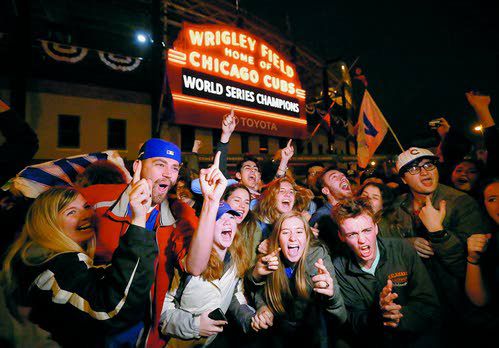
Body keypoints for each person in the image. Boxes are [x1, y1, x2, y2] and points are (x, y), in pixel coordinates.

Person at [80, 139, 226, 347]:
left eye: (175, 167)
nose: (169, 173)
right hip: (94, 331)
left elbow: (195, 266)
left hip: (146, 336)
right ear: (138, 166)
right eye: (160, 164)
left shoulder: (179, 212)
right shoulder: (97, 200)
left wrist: (211, 202)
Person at [1, 184, 157, 347]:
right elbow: (111, 310)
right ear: (48, 224)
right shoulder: (59, 265)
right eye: (71, 212)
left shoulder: (38, 259)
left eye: (86, 207)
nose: (86, 215)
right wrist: (139, 224)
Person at [390, 146, 489, 344]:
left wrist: (438, 234)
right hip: (418, 306)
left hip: (457, 310)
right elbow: (385, 244)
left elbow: (467, 268)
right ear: (403, 179)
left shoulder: (461, 203)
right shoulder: (397, 206)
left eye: (428, 164)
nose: (425, 171)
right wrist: (406, 243)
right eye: (414, 168)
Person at [331, 198, 440, 347]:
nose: (362, 240)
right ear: (341, 237)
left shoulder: (402, 250)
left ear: (376, 228)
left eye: (366, 230)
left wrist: (397, 316)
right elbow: (351, 321)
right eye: (352, 234)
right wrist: (378, 315)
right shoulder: (339, 268)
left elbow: (429, 304)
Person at [160, 202, 254, 347]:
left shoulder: (236, 259)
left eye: (231, 217)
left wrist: (250, 317)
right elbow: (162, 311)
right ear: (206, 226)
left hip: (209, 342)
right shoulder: (187, 263)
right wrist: (195, 325)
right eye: (219, 218)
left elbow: (236, 294)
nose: (227, 222)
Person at [249, 211, 346, 347]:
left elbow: (341, 317)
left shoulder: (318, 257)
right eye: (285, 232)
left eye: (299, 232)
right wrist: (262, 306)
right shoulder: (271, 257)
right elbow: (258, 290)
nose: (293, 238)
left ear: (307, 237)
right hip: (279, 332)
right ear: (277, 238)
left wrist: (332, 296)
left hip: (312, 334)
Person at [309, 166, 353, 253]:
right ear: (326, 190)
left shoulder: (353, 211)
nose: (343, 178)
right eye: (334, 177)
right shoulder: (322, 216)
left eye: (343, 176)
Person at [223, 184, 262, 263]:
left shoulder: (252, 228)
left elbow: (249, 268)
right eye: (237, 200)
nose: (242, 206)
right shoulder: (212, 224)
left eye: (247, 202)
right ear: (224, 202)